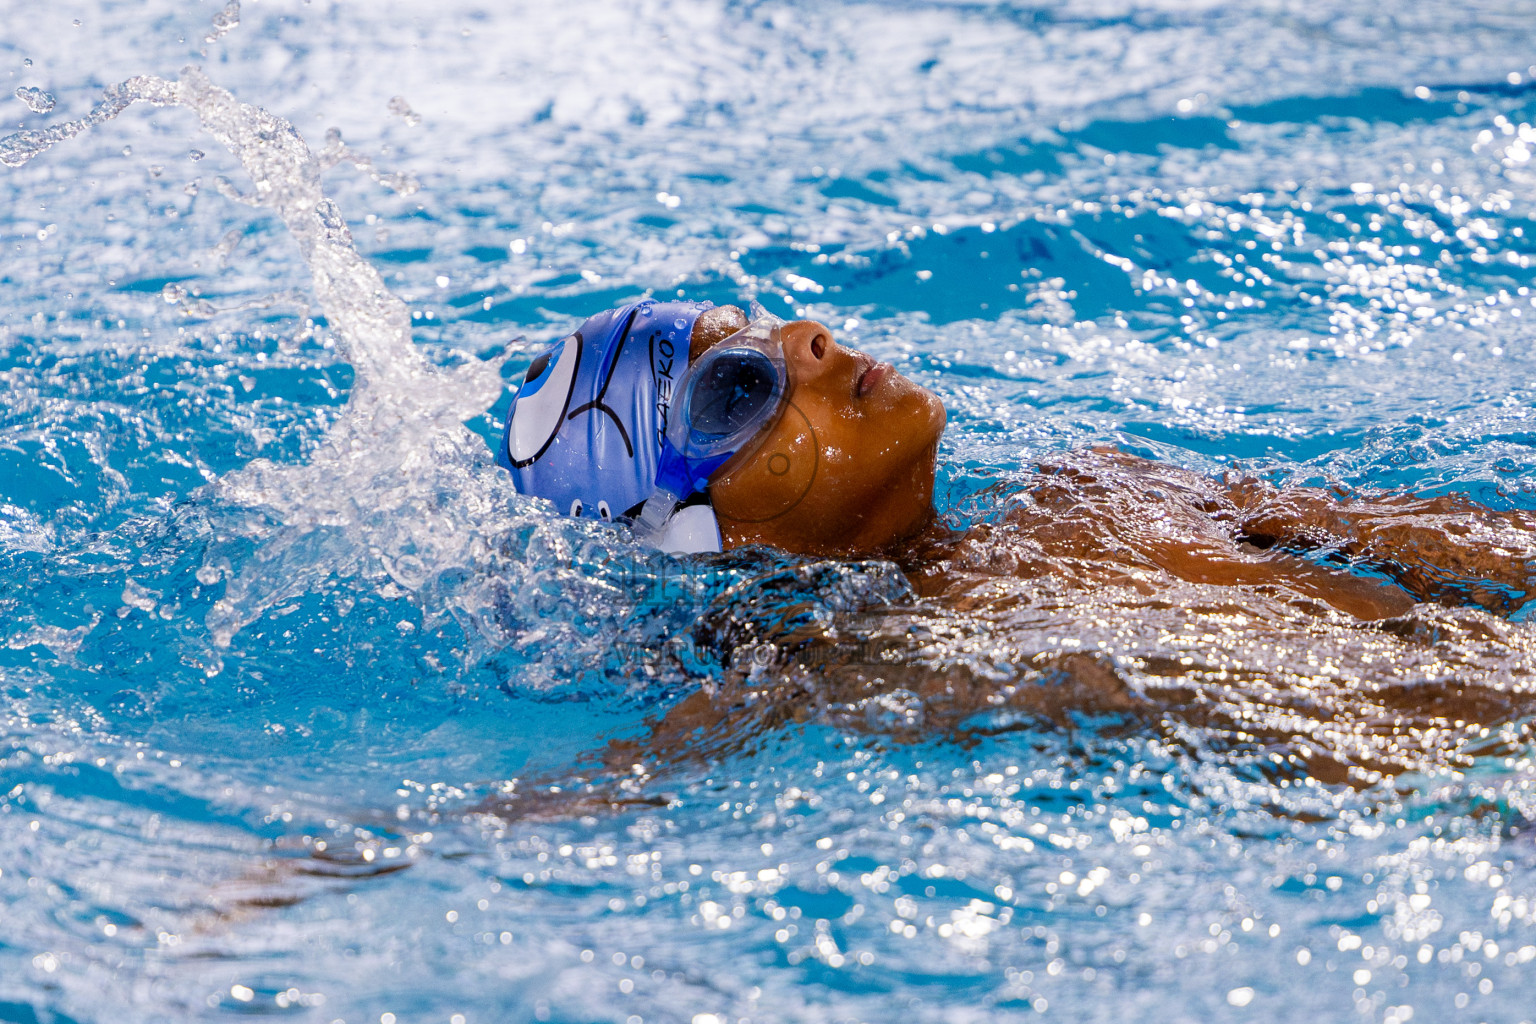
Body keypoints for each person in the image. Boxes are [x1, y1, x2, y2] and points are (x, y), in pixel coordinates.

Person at [499, 299, 1536, 624]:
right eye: (738, 388)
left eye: (764, 328)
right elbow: (605, 794)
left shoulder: (1101, 484)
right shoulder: (846, 674)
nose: (810, 339)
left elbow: (1463, 540)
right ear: (703, 532)